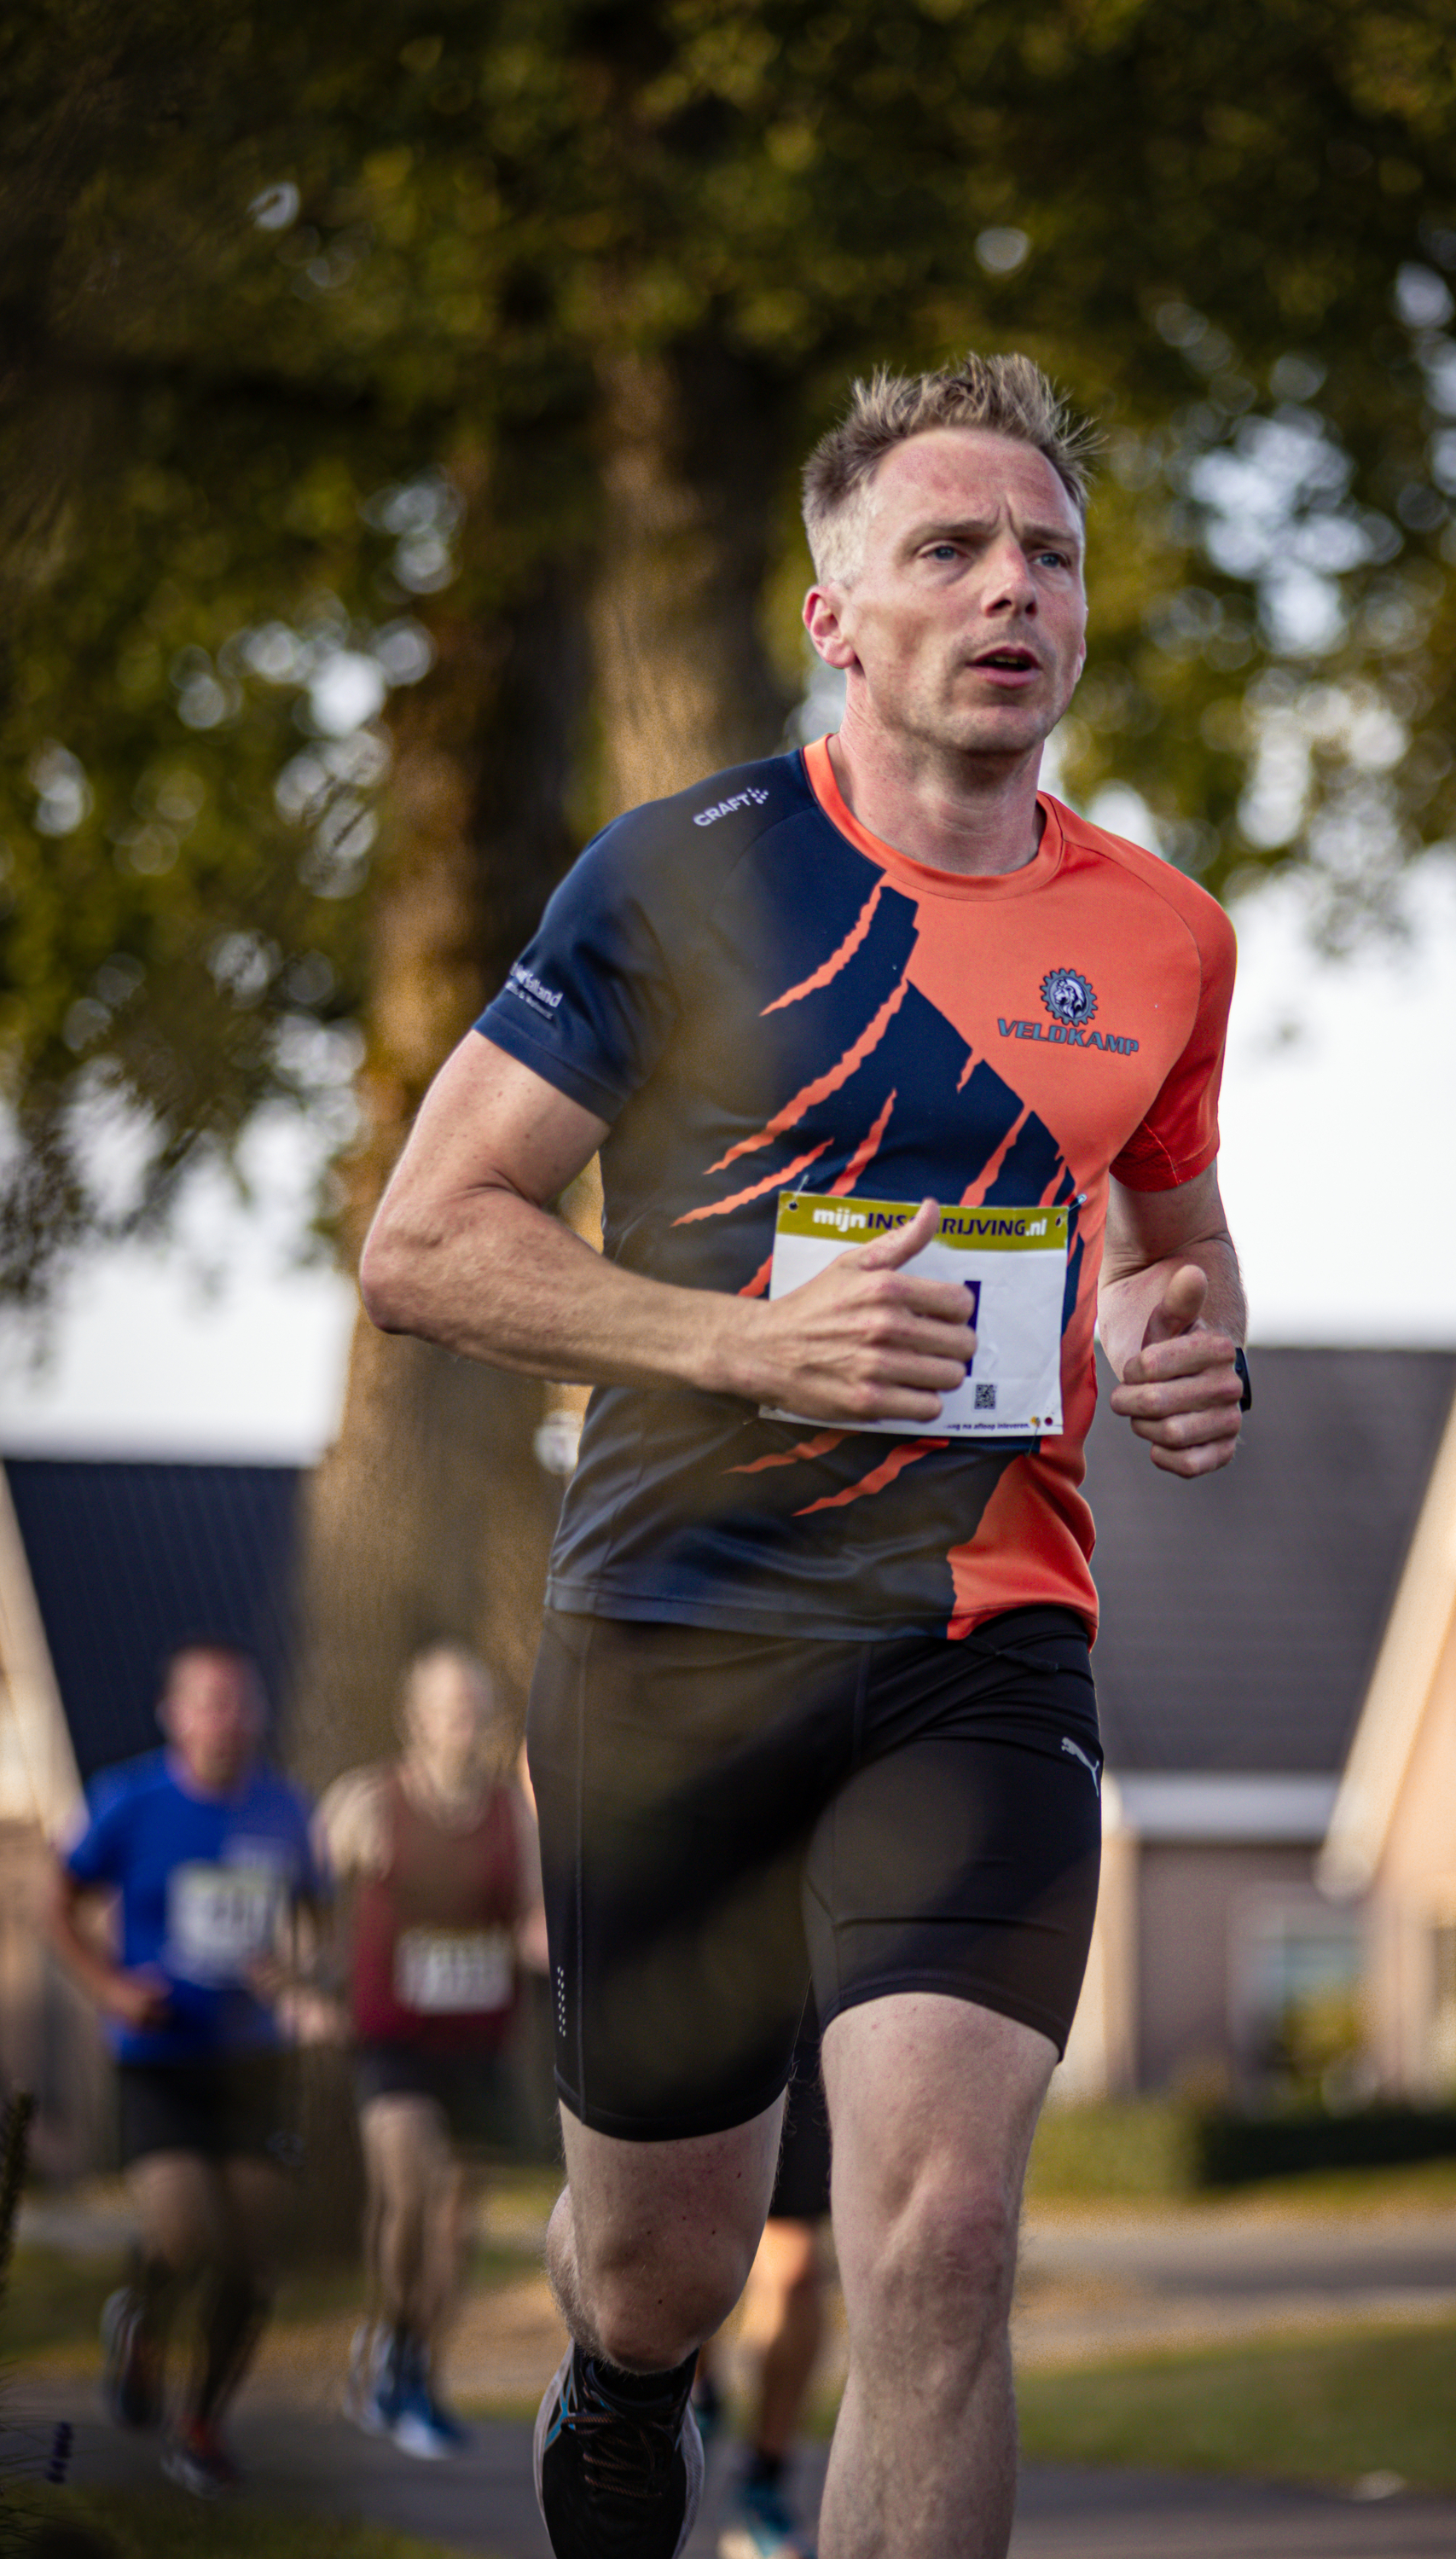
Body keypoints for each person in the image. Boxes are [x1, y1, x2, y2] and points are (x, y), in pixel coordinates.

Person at [359, 351, 1248, 2559]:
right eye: (947, 547)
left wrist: (1179, 1348)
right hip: (672, 1638)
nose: (1009, 587)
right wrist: (737, 1338)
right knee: (660, 2267)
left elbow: (1176, 1246)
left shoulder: (1164, 934)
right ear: (836, 612)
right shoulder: (680, 877)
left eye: (1048, 550)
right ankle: (620, 2382)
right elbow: (423, 1244)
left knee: (936, 2244)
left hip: (982, 1640)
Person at [44, 1639, 319, 2498]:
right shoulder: (128, 1802)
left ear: (257, 1713)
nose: (224, 1718)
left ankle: (200, 2424)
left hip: (251, 2060)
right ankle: (142, 2324)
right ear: (174, 1713)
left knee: (252, 2260)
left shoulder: (285, 1811)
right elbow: (55, 1904)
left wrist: (301, 1973)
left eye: (238, 1701)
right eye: (206, 1701)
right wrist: (111, 1987)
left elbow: (322, 1920)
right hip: (158, 2054)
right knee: (186, 2232)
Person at [317, 1641, 545, 2459]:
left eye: (473, 1708)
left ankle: (417, 2367)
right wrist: (305, 1978)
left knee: (454, 2222)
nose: (461, 1722)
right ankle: (387, 2337)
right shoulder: (368, 1801)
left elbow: (533, 1919)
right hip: (393, 2038)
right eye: (446, 1707)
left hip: (478, 2044)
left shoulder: (509, 1815)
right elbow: (304, 1891)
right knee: (411, 2185)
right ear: (415, 1717)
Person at [694, 2006, 833, 2559]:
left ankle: (764, 2482)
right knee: (690, 2252)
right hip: (695, 2014)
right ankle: (700, 2393)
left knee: (797, 2271)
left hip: (802, 2023)